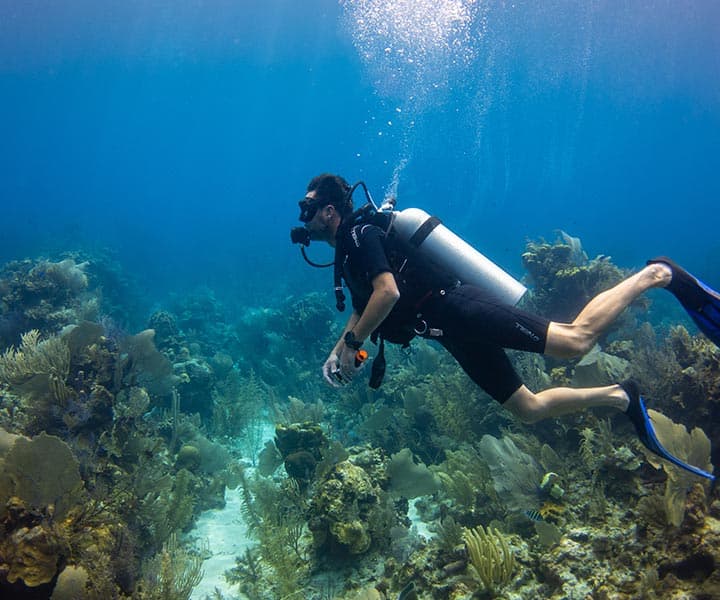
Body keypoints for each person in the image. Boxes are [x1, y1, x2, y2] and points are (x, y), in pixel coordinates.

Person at [292, 173, 719, 481]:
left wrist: (355, 340)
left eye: (309, 208)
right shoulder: (347, 252)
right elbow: (365, 303)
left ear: (330, 211)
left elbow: (388, 294)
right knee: (528, 409)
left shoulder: (356, 234)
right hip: (448, 331)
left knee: (574, 341)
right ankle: (621, 396)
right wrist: (338, 351)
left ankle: (657, 275)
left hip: (459, 309)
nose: (304, 217)